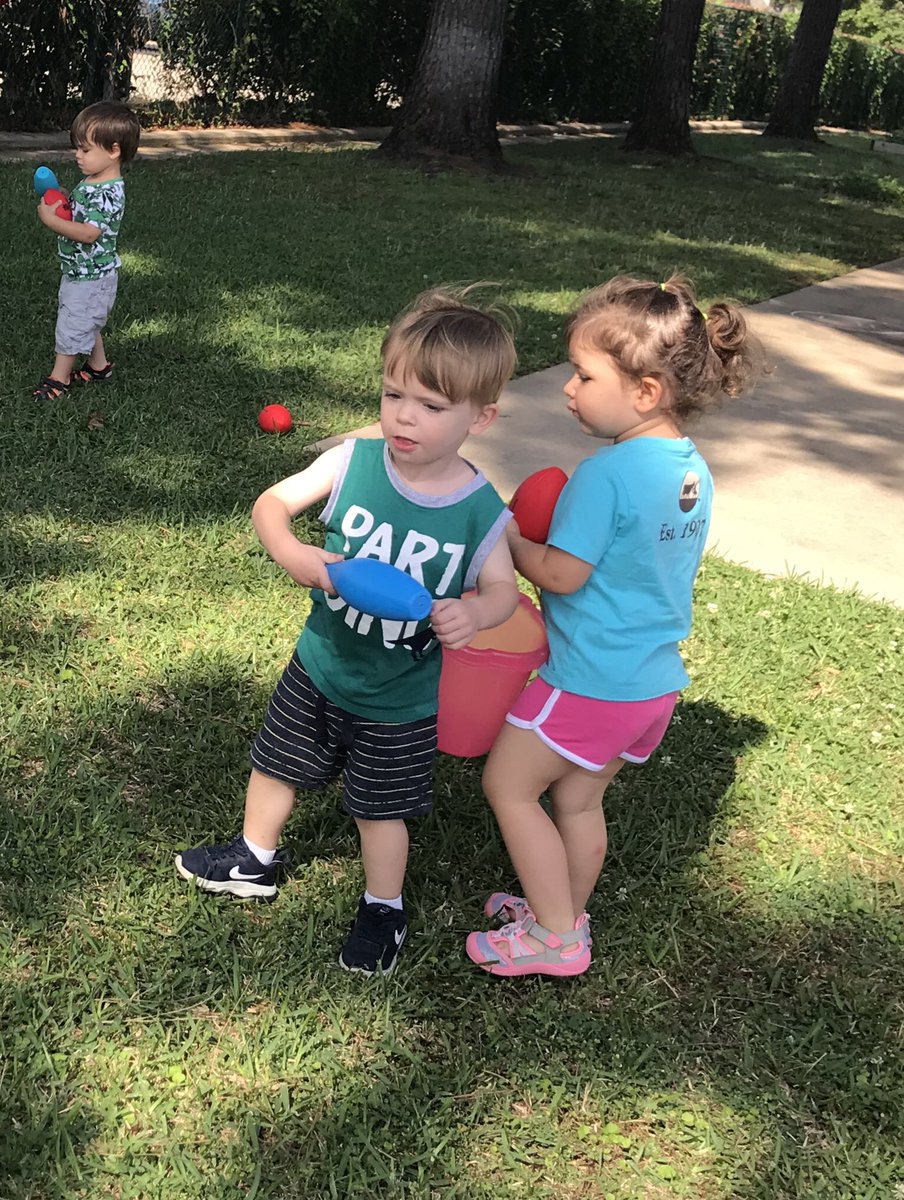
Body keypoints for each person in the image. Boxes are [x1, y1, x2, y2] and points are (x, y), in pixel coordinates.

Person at [177, 289, 520, 976]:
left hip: (399, 700)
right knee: (275, 764)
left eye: (431, 406)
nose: (405, 416)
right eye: (394, 395)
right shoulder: (351, 463)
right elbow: (271, 503)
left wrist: (475, 613)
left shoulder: (479, 511)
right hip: (320, 666)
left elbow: (504, 591)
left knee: (379, 812)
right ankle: (254, 857)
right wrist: (293, 552)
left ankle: (382, 907)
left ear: (480, 416)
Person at [467, 274, 760, 978]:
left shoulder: (606, 475)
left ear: (646, 391)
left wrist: (507, 537)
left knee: (508, 787)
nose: (569, 389)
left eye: (583, 375)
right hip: (650, 686)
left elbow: (562, 574)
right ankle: (562, 909)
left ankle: (556, 939)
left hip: (588, 680)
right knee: (576, 800)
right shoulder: (691, 472)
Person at [33, 101, 141, 401]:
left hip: (92, 276)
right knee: (86, 319)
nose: (77, 155)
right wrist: (65, 198)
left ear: (114, 151)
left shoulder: (107, 191)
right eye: (77, 148)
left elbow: (89, 233)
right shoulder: (95, 181)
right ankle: (99, 367)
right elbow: (84, 211)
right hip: (82, 271)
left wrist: (52, 221)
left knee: (72, 323)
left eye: (85, 149)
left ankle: (59, 379)